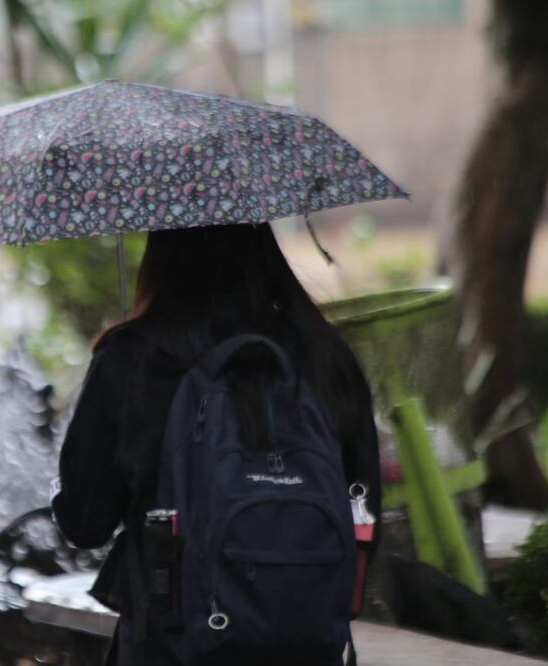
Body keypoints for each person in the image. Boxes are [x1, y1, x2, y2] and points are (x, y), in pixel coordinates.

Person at [51, 223, 381, 665]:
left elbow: (85, 523)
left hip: (171, 646)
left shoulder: (132, 357)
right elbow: (364, 509)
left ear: (162, 253)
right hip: (307, 643)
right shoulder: (325, 355)